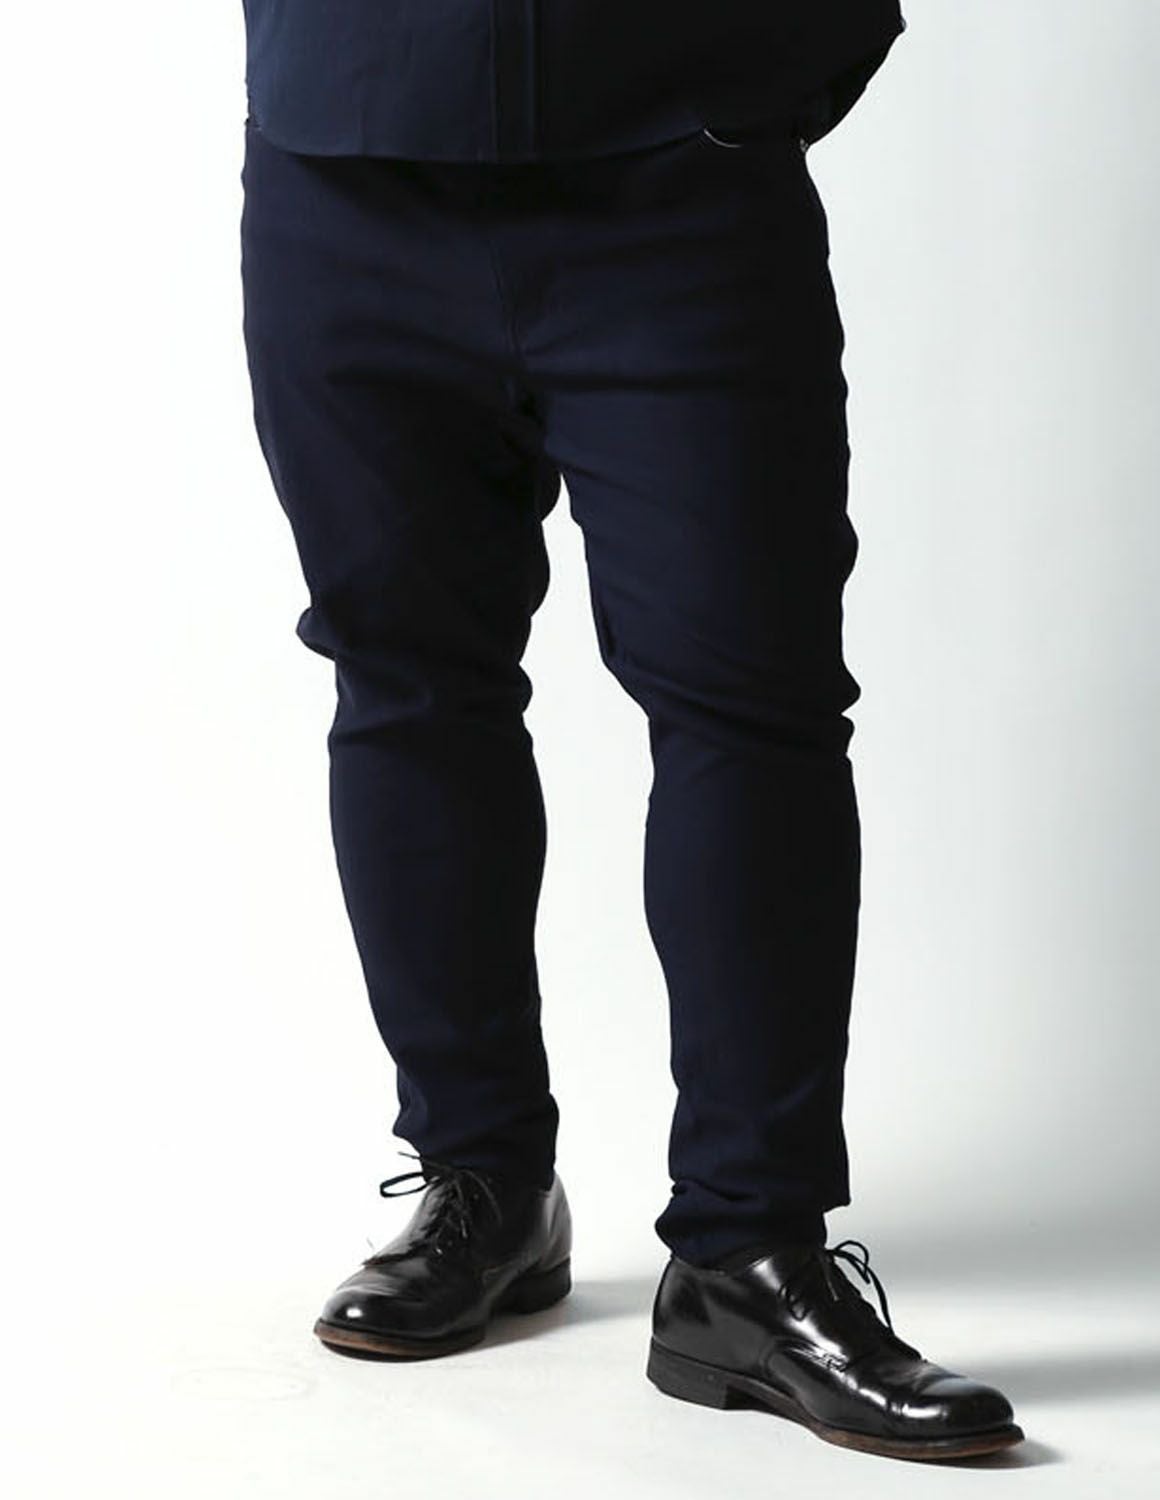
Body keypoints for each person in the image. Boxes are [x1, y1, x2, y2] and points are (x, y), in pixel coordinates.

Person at [238, 1, 1024, 1462]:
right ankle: (481, 1183)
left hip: (674, 179)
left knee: (751, 703)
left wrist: (750, 81)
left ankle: (748, 1250)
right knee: (407, 682)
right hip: (344, 174)